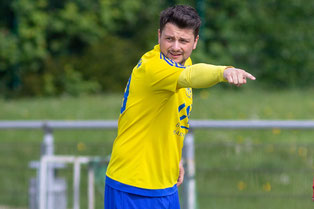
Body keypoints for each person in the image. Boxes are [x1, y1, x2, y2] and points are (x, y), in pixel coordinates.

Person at [105, 5, 255, 209]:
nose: (175, 47)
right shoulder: (154, 66)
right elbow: (191, 75)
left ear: (195, 42)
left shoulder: (183, 64)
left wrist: (172, 159)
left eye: (183, 41)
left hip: (165, 185)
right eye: (169, 39)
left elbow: (167, 118)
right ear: (159, 36)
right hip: (133, 185)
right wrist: (224, 71)